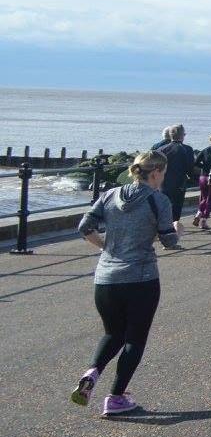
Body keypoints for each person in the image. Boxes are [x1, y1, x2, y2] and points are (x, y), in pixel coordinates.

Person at [71, 151, 180, 416]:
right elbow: (169, 241)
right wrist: (177, 231)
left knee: (113, 333)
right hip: (140, 278)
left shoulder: (109, 195)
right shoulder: (158, 200)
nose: (163, 178)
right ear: (155, 173)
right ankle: (116, 398)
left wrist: (105, 248)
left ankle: (92, 374)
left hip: (106, 278)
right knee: (134, 339)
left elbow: (84, 227)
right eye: (163, 173)